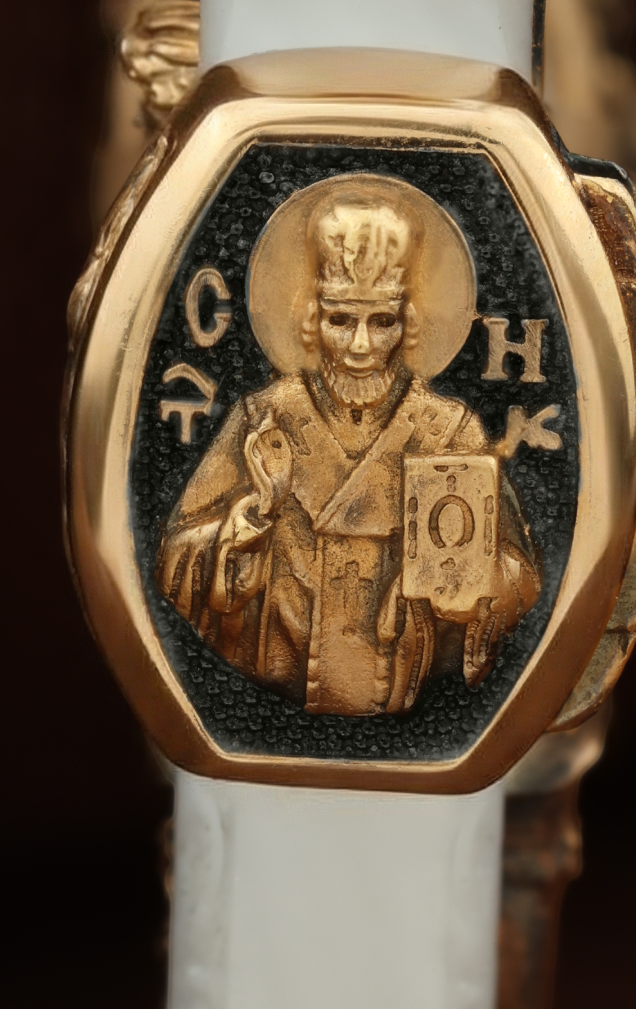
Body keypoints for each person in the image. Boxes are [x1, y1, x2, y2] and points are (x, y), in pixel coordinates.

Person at [158, 184, 539, 716]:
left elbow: (521, 576)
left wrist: (465, 584)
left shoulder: (451, 432)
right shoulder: (264, 418)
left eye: (381, 322)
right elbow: (176, 558)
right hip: (272, 689)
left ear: (408, 323)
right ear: (312, 318)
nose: (361, 346)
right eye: (341, 320)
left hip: (411, 694)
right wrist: (256, 514)